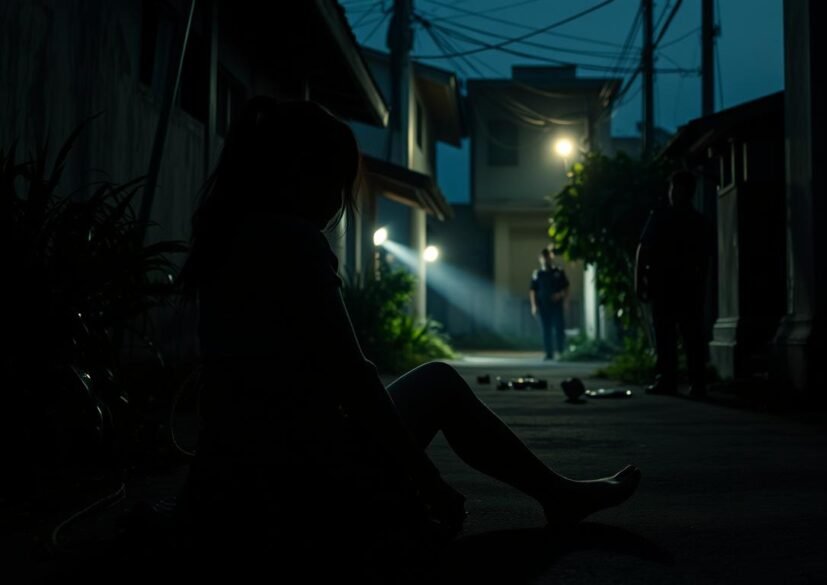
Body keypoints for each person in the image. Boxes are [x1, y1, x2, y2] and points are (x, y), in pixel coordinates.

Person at [175, 97, 640, 578]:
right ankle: (557, 496)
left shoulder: (229, 235)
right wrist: (428, 481)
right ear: (299, 173)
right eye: (336, 182)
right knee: (438, 383)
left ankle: (544, 495)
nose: (339, 199)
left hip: (233, 479)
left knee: (424, 395)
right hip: (298, 476)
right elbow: (352, 378)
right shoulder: (294, 241)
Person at [635, 170, 711, 398]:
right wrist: (639, 281)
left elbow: (703, 257)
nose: (673, 193)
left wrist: (639, 282)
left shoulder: (686, 220)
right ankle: (678, 381)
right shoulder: (667, 217)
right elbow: (644, 249)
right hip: (671, 285)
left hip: (678, 285)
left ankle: (683, 381)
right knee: (677, 335)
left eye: (676, 189)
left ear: (685, 192)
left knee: (684, 335)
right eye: (672, 188)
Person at [529, 248, 570, 360]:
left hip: (556, 305)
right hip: (543, 306)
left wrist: (562, 297)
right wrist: (534, 305)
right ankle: (549, 353)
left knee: (559, 328)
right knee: (546, 330)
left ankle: (561, 351)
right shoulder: (537, 274)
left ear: (550, 258)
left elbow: (566, 288)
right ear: (540, 259)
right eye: (543, 257)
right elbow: (533, 290)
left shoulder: (558, 272)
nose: (545, 259)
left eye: (547, 257)